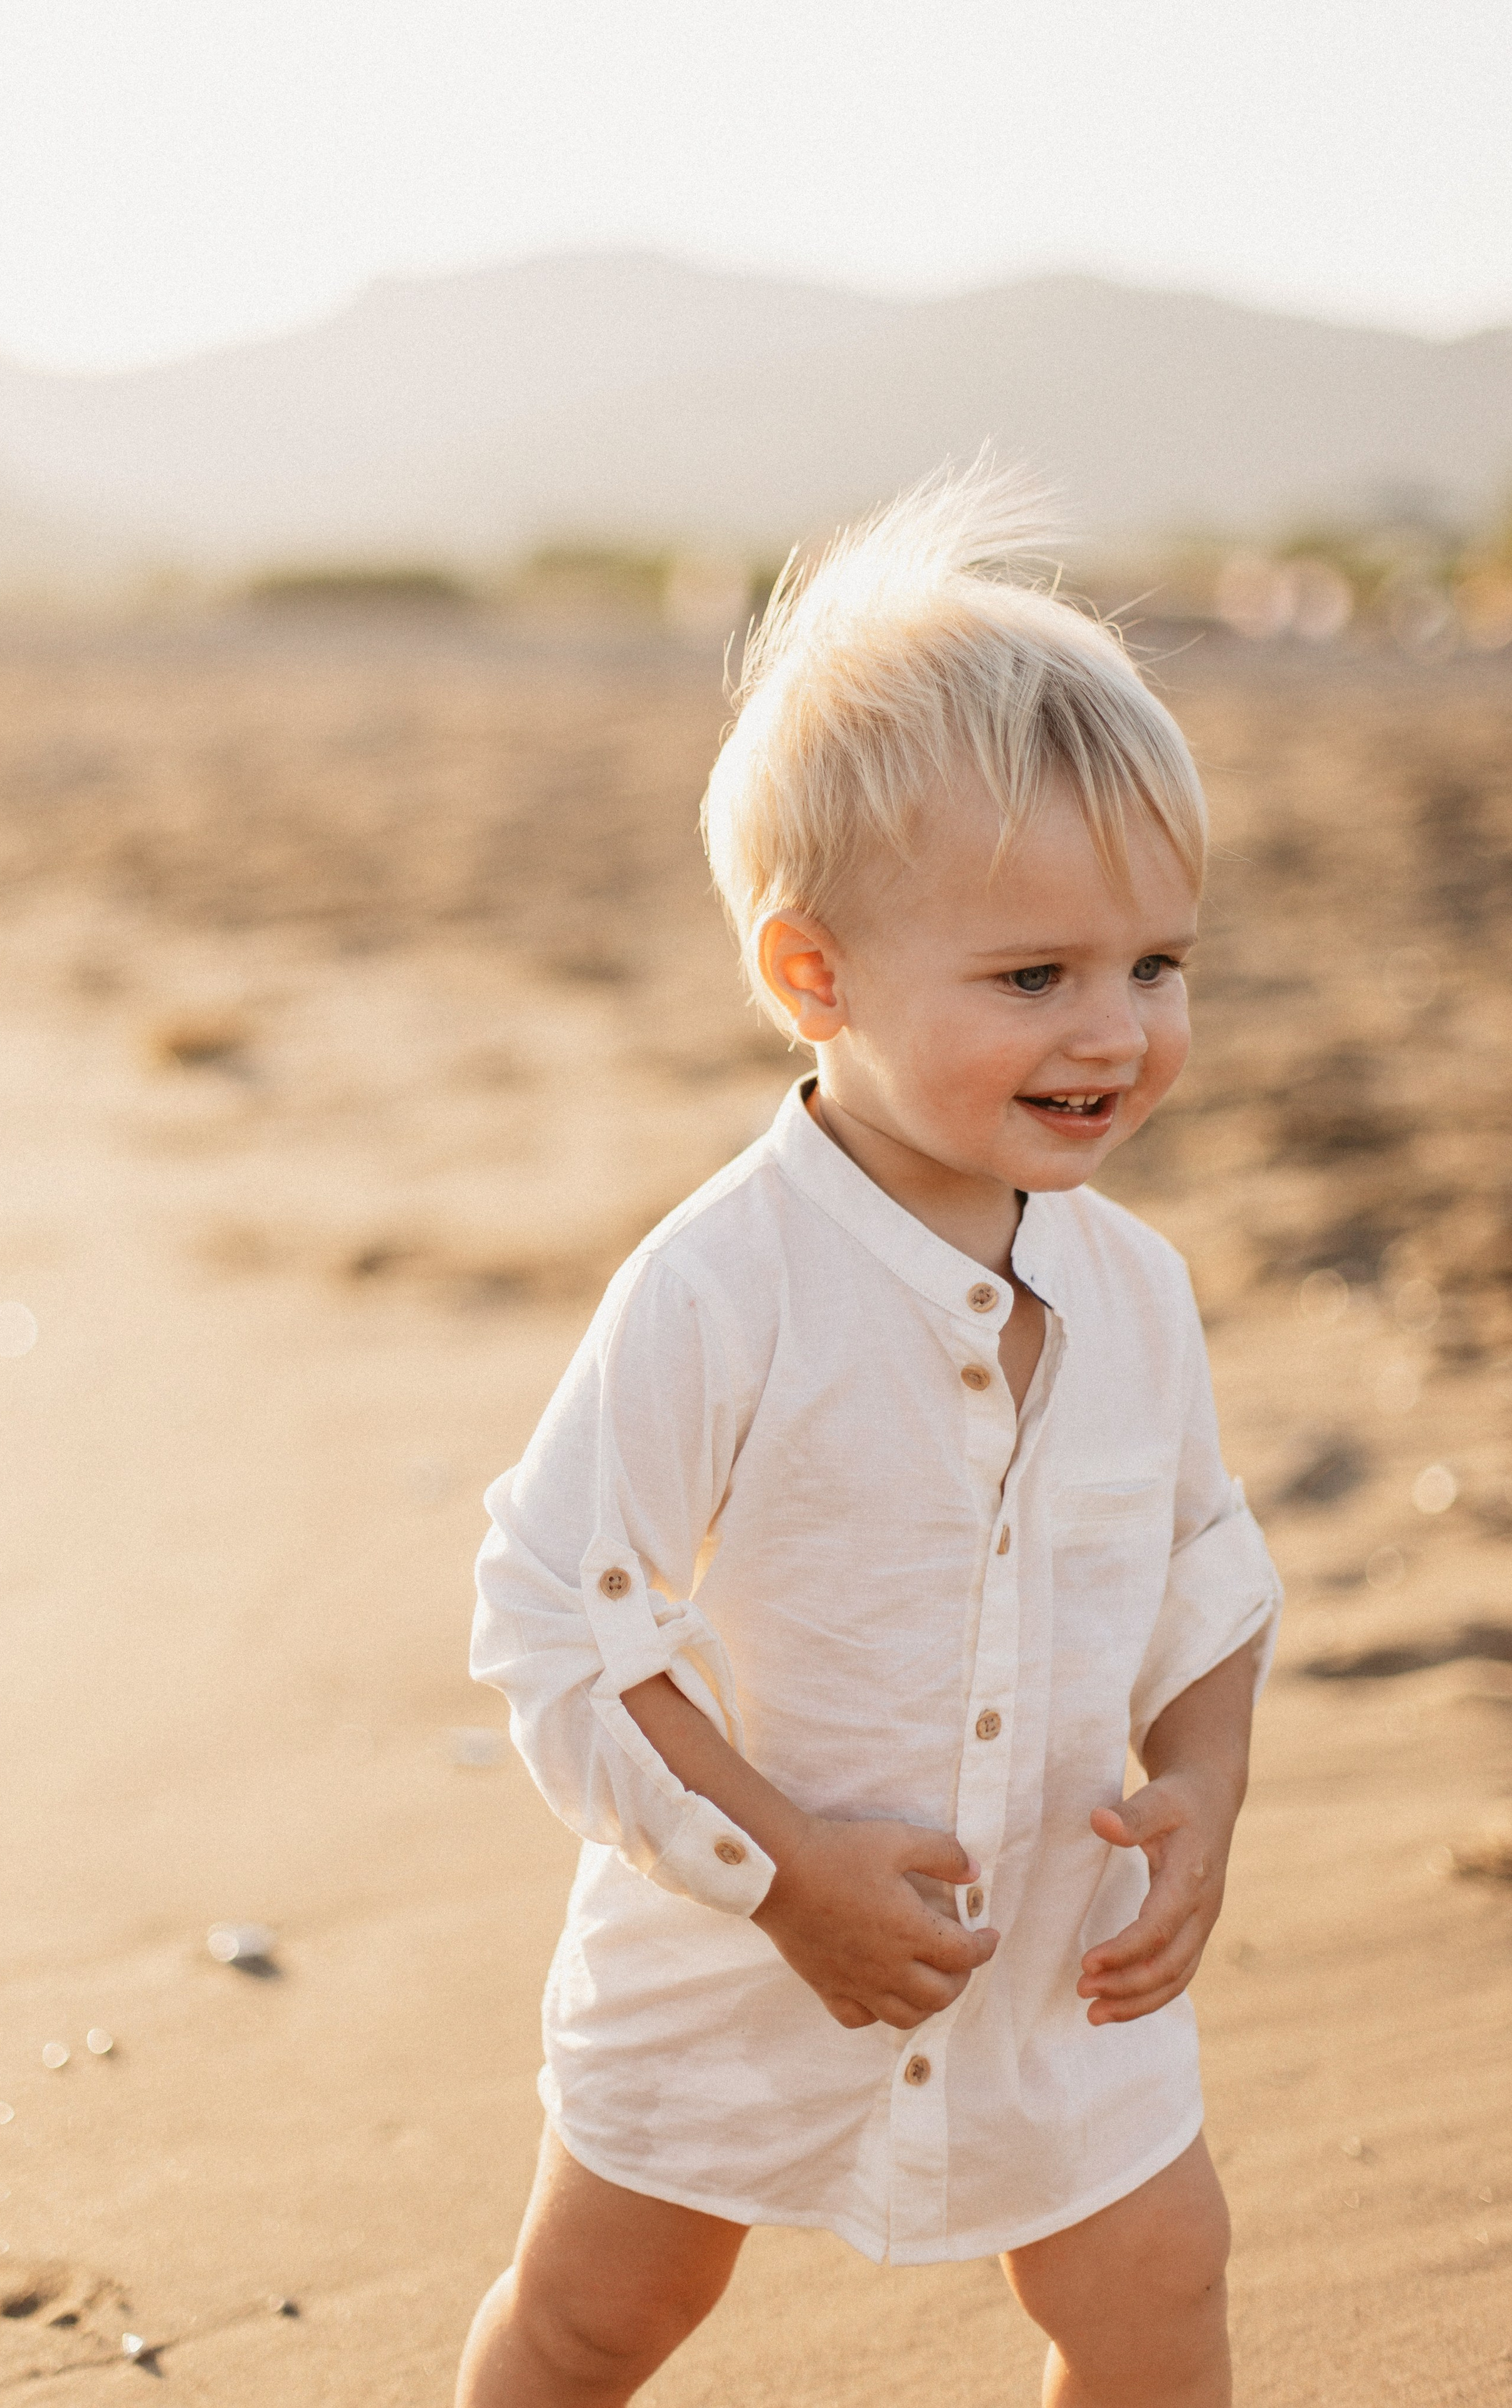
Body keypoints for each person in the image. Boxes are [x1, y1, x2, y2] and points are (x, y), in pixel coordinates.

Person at [461, 466, 1281, 2407]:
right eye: (1034, 977)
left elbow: (1207, 1576)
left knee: (1161, 2285)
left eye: (1156, 963)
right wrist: (788, 1871)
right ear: (812, 977)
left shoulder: (1139, 1289)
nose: (1118, 1030)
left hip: (1046, 1962)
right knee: (596, 2316)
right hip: (734, 1943)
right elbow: (559, 1620)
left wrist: (1207, 1797)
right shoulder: (721, 1287)